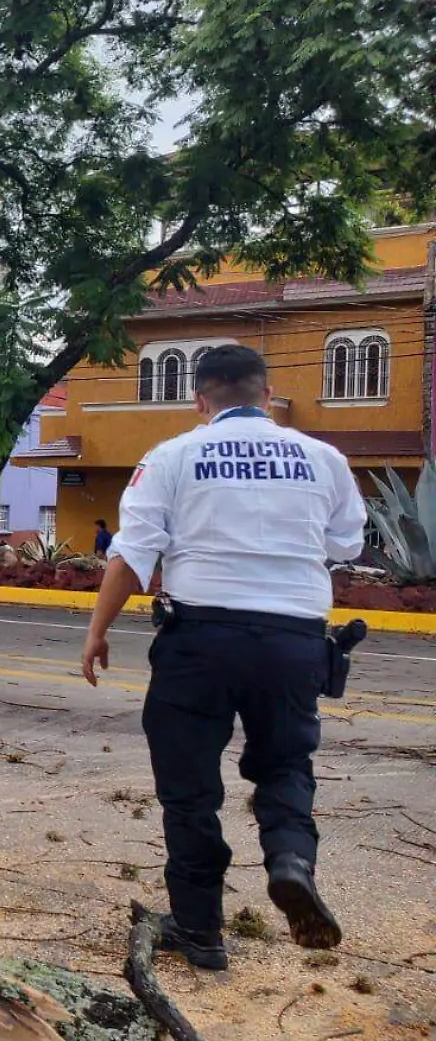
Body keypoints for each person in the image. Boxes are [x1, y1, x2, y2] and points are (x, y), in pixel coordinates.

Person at [82, 345, 365, 971]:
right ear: (267, 396)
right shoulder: (324, 459)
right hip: (293, 639)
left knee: (189, 789)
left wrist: (97, 631)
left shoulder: (172, 456)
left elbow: (133, 555)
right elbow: (343, 542)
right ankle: (291, 860)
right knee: (285, 764)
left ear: (199, 400)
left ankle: (201, 933)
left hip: (199, 640)